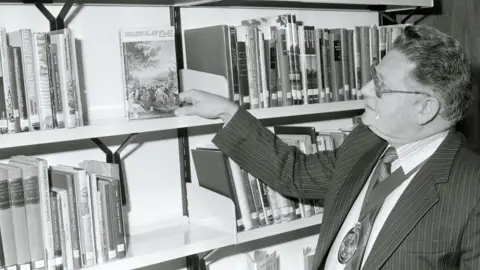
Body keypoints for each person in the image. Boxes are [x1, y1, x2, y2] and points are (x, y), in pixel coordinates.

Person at [175, 24, 480, 270]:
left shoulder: (473, 188)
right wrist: (226, 111)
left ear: (425, 108)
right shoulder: (366, 141)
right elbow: (294, 174)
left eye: (381, 86)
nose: (364, 90)